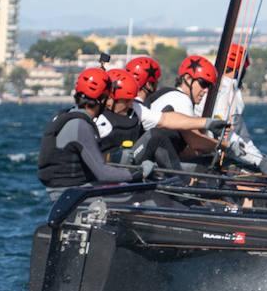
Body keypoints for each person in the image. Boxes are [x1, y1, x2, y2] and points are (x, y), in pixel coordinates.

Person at [37, 68, 152, 199]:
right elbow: (103, 173)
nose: (108, 103)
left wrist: (113, 157)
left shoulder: (65, 115)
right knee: (142, 198)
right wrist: (139, 173)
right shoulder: (81, 125)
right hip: (75, 194)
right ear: (100, 100)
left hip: (63, 191)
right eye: (107, 97)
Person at [97, 68, 226, 170]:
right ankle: (182, 187)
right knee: (155, 137)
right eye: (126, 101)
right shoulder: (99, 121)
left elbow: (166, 119)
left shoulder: (136, 109)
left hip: (130, 163)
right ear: (109, 99)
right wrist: (112, 158)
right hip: (110, 171)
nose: (131, 105)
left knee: (157, 135)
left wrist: (207, 123)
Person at [212, 43, 267, 176]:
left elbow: (242, 137)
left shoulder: (219, 86)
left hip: (220, 158)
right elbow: (223, 133)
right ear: (241, 68)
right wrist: (260, 162)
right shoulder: (228, 91)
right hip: (213, 163)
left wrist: (262, 159)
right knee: (266, 182)